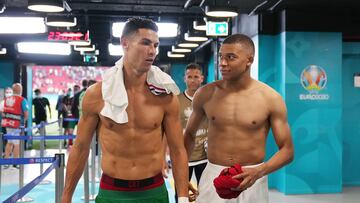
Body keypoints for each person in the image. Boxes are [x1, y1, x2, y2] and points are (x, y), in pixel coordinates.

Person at [62, 18, 192, 203]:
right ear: (125, 44)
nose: (152, 51)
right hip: (111, 192)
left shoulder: (165, 95)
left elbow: (178, 150)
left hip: (153, 191)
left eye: (155, 45)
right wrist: (66, 196)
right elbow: (81, 148)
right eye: (145, 43)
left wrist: (184, 198)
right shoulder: (98, 94)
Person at [184, 34, 294, 203]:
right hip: (213, 174)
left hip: (253, 178)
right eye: (221, 56)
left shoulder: (270, 98)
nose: (222, 63)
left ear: (249, 60)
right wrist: (182, 174)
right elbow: (189, 135)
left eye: (231, 57)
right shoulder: (205, 94)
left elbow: (287, 150)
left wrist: (259, 171)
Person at [175, 63, 208, 202]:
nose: (193, 80)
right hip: (184, 157)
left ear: (202, 78)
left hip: (205, 157)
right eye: (189, 77)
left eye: (196, 77)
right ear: (184, 79)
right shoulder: (176, 100)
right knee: (181, 196)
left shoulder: (209, 99)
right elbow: (169, 128)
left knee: (206, 195)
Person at [1, 83, 29, 169]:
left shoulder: (6, 99)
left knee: (9, 142)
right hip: (17, 124)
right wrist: (24, 121)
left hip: (7, 123)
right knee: (17, 143)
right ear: (20, 90)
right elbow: (26, 113)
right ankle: (15, 162)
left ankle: (6, 162)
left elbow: (1, 111)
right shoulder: (22, 100)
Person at [0, 87, 13, 153]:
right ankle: (5, 152)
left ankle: (10, 152)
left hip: (13, 124)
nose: (8, 94)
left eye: (10, 92)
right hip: (5, 123)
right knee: (5, 139)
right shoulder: (3, 102)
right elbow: (2, 113)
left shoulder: (15, 102)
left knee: (13, 140)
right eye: (7, 92)